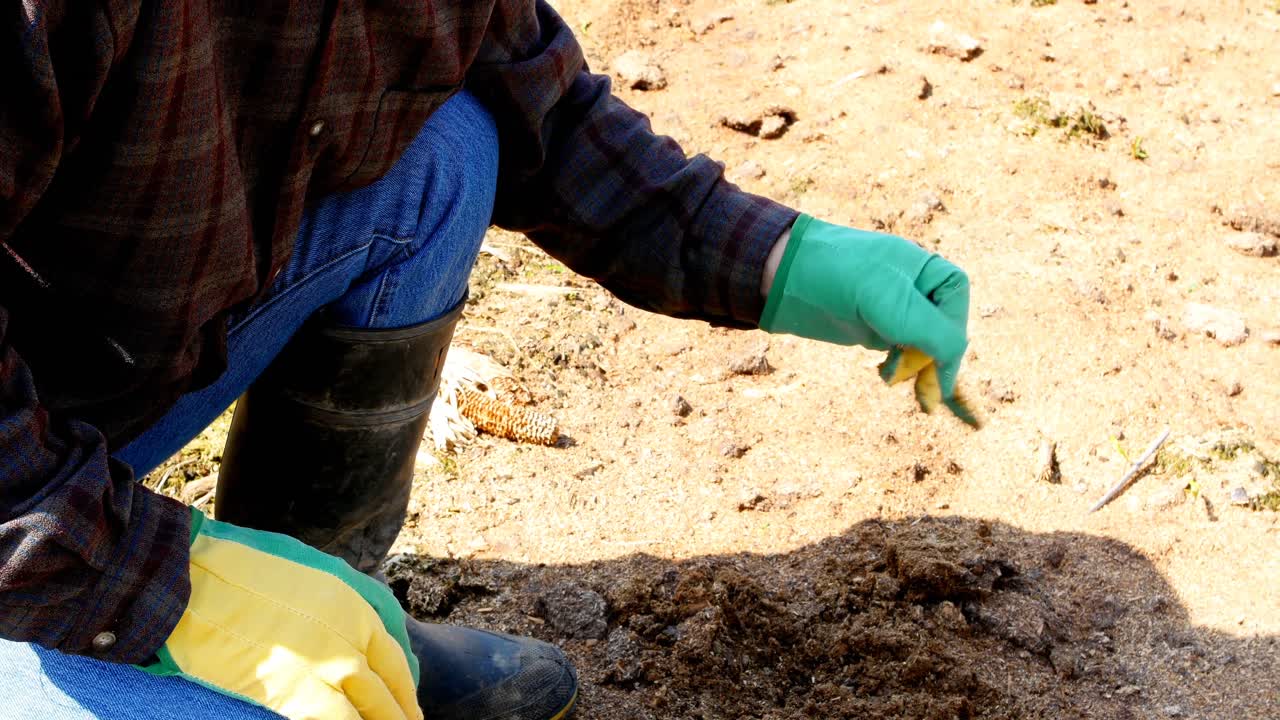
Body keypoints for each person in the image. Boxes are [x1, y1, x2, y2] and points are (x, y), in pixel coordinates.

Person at [0, 2, 970, 719]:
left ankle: (338, 613)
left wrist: (780, 261)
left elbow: (539, 118)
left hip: (61, 394)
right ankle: (228, 650)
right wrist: (165, 592)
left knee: (446, 149)